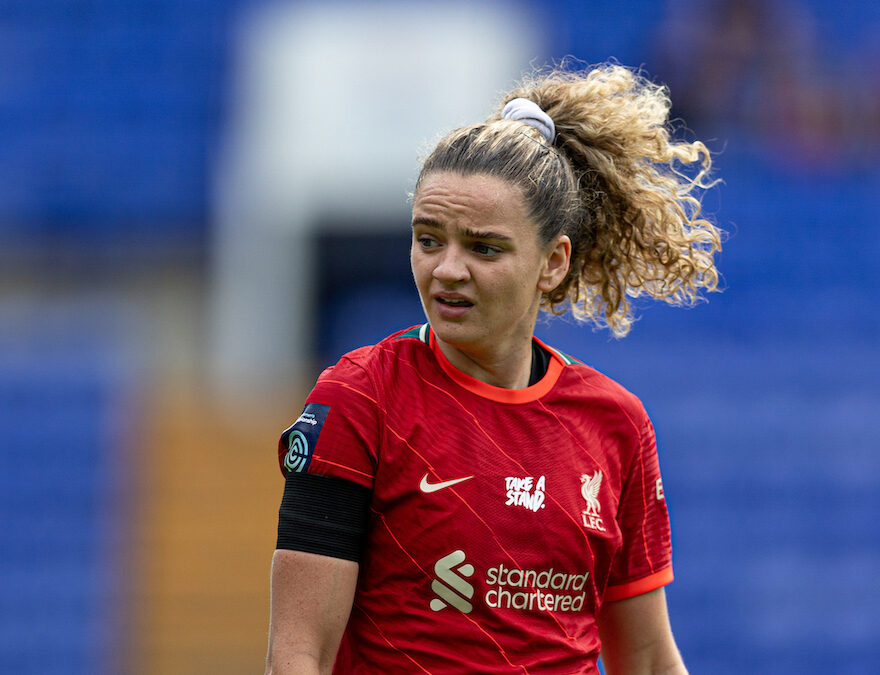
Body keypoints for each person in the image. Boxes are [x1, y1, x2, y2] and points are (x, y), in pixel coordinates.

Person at [265, 61, 722, 674]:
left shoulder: (616, 424)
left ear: (553, 262)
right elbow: (298, 657)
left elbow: (646, 659)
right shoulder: (360, 398)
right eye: (429, 239)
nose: (447, 269)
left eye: (483, 247)